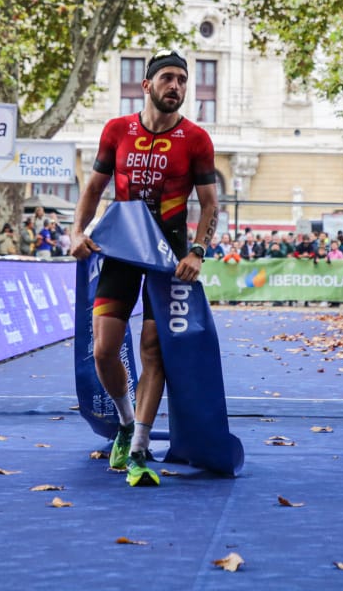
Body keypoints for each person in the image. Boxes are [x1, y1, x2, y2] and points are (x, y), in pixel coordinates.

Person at [69, 49, 218, 488]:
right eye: (168, 78)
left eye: (182, 80)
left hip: (169, 259)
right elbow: (94, 188)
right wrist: (77, 232)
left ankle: (139, 446)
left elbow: (210, 204)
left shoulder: (196, 140)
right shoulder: (117, 131)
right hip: (120, 248)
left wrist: (197, 251)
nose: (177, 86)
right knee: (104, 348)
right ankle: (124, 420)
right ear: (147, 86)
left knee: (153, 349)